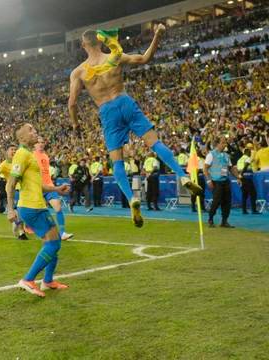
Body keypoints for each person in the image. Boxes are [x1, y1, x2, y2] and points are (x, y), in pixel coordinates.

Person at [68, 24, 202, 228]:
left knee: (117, 161)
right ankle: (182, 176)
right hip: (124, 100)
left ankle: (132, 199)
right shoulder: (114, 56)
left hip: (107, 111)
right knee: (154, 142)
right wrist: (157, 35)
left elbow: (72, 103)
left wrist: (76, 125)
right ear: (100, 40)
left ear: (83, 44)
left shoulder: (79, 72)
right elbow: (145, 58)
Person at [6, 123, 70, 297]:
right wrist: (10, 209)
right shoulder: (21, 155)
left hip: (37, 204)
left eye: (35, 129)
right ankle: (28, 279)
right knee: (53, 243)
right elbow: (10, 184)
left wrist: (56, 189)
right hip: (30, 207)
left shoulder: (29, 154)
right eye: (31, 130)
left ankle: (48, 281)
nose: (35, 132)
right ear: (21, 137)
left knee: (54, 242)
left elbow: (38, 185)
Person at [34, 137, 74, 240]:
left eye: (43, 142)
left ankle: (62, 233)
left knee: (58, 207)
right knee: (36, 212)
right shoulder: (31, 156)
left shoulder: (45, 156)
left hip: (49, 186)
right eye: (39, 142)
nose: (41, 144)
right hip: (37, 187)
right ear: (34, 144)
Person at [205, 138, 240, 228]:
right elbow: (205, 168)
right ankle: (210, 219)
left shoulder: (226, 155)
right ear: (217, 144)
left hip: (225, 181)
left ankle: (224, 221)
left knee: (227, 202)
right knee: (216, 201)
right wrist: (208, 180)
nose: (225, 145)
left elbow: (231, 168)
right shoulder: (211, 154)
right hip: (216, 182)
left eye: (225, 143)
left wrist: (238, 177)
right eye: (223, 143)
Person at [0, 145, 28, 240]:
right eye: (11, 149)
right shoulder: (4, 164)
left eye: (15, 149)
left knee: (23, 211)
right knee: (19, 211)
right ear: (7, 152)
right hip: (12, 191)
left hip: (23, 189)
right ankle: (21, 232)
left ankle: (17, 224)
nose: (14, 151)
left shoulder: (19, 162)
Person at [237, 145, 258, 214]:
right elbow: (246, 166)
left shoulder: (239, 160)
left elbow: (237, 169)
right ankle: (254, 210)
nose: (250, 154)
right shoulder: (248, 158)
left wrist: (239, 177)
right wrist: (241, 174)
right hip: (247, 178)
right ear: (248, 153)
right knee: (253, 194)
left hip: (242, 179)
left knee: (244, 195)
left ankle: (244, 210)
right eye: (250, 153)